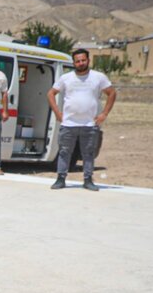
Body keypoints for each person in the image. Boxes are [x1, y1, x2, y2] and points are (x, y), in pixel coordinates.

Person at [47, 48, 116, 191]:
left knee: (88, 153)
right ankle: (60, 179)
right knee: (65, 152)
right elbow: (51, 94)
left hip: (90, 124)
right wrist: (57, 113)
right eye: (77, 61)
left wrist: (104, 114)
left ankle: (88, 180)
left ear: (88, 60)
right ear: (74, 62)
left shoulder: (98, 77)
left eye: (83, 60)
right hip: (68, 123)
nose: (80, 63)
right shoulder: (66, 78)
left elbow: (112, 93)